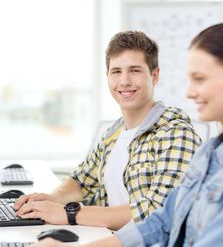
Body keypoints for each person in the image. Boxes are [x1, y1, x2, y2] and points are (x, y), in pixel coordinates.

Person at [17, 21, 223, 247]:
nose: (189, 92)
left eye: (200, 79)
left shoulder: (185, 137)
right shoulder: (209, 154)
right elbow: (161, 222)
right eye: (190, 79)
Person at [14, 31, 200, 230]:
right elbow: (81, 181)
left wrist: (69, 214)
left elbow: (156, 211)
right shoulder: (113, 134)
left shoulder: (175, 133)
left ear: (154, 75)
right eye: (116, 71)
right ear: (108, 76)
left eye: (135, 70)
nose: (125, 81)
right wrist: (51, 199)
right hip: (111, 241)